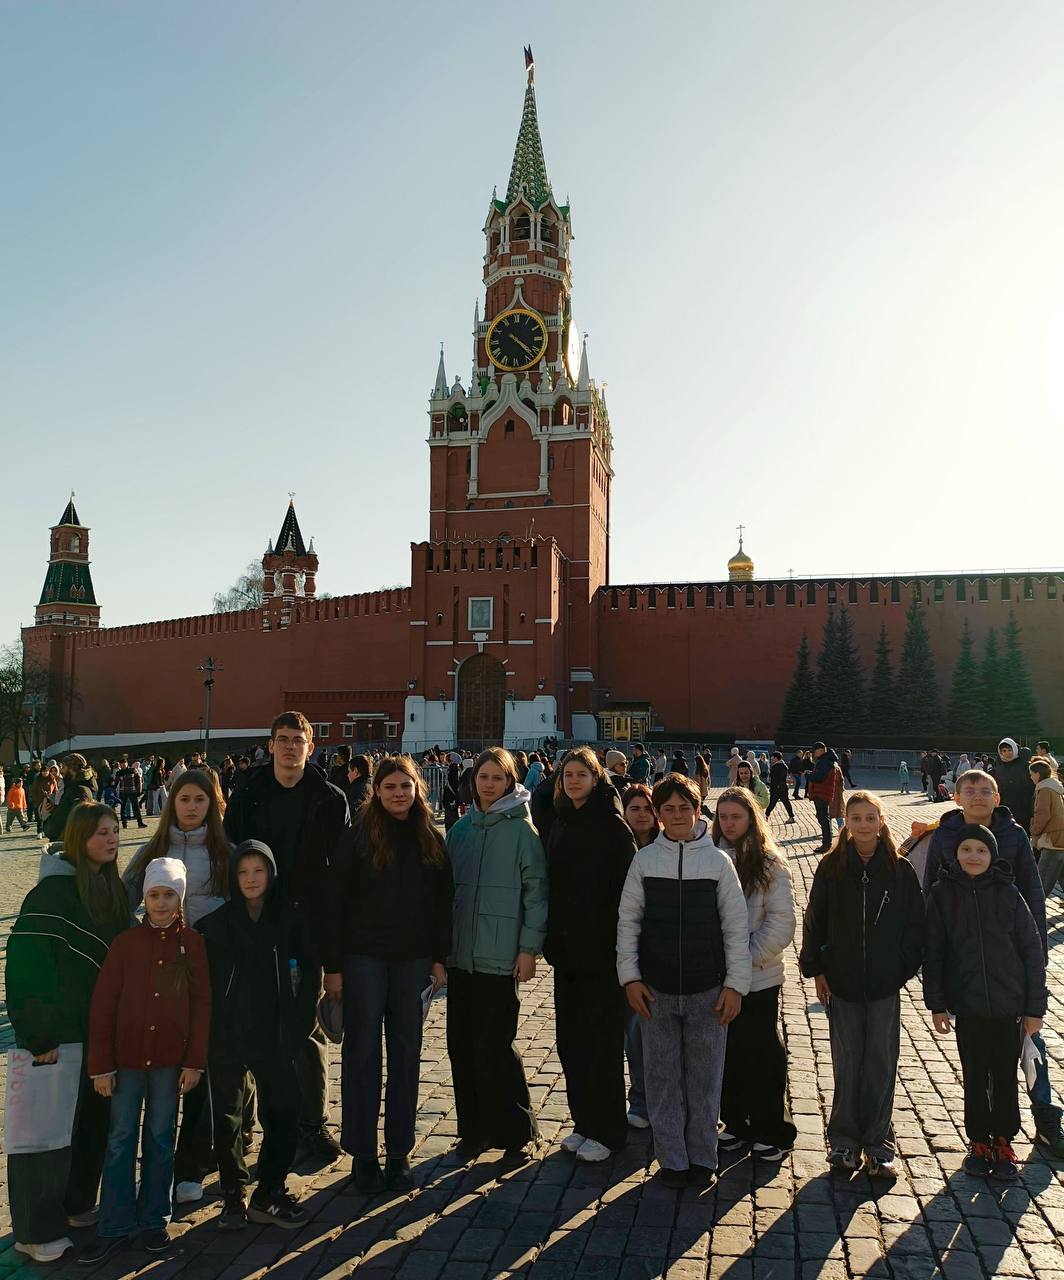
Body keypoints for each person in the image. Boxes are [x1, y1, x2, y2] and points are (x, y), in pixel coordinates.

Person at [6, 804, 131, 1264]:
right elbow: (25, 967)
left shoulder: (111, 889)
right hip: (55, 1039)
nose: (111, 839)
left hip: (98, 1036)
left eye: (114, 830)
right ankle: (35, 1231)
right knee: (44, 1138)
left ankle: (77, 1204)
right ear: (79, 838)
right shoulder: (50, 893)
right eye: (101, 832)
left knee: (89, 1128)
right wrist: (38, 1035)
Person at [223, 712, 349, 1163]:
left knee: (307, 1030)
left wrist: (334, 955)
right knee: (256, 1027)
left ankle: (312, 1126)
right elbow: (231, 859)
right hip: (257, 928)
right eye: (283, 739)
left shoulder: (329, 798)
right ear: (271, 745)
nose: (291, 746)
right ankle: (260, 1128)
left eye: (299, 740)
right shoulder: (248, 795)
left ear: (310, 747)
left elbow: (339, 878)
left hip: (308, 932)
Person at [617, 773, 752, 1188]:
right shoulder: (644, 861)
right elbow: (629, 922)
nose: (677, 816)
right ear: (658, 814)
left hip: (707, 989)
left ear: (697, 810)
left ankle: (703, 1157)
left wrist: (735, 985)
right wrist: (630, 978)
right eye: (668, 809)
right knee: (661, 1078)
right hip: (655, 990)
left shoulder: (718, 863)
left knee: (705, 1078)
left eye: (684, 808)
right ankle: (672, 1158)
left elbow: (735, 928)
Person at [326, 757, 453, 1194]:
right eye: (390, 787)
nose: (398, 793)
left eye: (405, 786)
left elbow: (442, 905)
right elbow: (335, 903)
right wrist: (333, 967)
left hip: (412, 961)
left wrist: (439, 959)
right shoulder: (356, 838)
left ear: (417, 790)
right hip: (363, 959)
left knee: (406, 1056)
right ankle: (363, 1154)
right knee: (361, 1054)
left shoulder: (430, 839)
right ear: (376, 792)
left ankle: (399, 1153)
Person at [78, 859, 211, 1263]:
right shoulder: (125, 944)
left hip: (169, 1060)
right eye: (154, 895)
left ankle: (154, 1217)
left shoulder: (192, 944)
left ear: (179, 899)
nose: (161, 902)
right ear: (145, 898)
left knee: (160, 1137)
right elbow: (104, 1004)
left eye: (169, 895)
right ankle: (115, 1222)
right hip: (127, 1060)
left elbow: (201, 1005)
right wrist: (101, 1065)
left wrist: (194, 1061)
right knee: (120, 1140)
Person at [799, 792, 924, 1178]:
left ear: (881, 821)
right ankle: (843, 1141)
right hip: (843, 982)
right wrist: (817, 969)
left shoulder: (900, 869)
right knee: (848, 1061)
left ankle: (879, 1144)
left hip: (884, 985)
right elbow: (815, 919)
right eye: (857, 818)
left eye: (871, 817)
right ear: (847, 822)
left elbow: (916, 926)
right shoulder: (832, 866)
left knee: (881, 1064)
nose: (864, 824)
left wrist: (900, 969)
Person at [121, 768, 232, 1202]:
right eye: (184, 799)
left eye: (199, 800)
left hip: (210, 965)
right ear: (172, 803)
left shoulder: (225, 852)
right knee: (164, 1063)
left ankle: (192, 1163)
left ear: (211, 805)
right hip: (162, 971)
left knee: (200, 1063)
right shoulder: (153, 850)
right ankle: (157, 1163)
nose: (191, 807)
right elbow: (123, 899)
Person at [199, 841, 318, 1229]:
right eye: (243, 872)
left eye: (259, 870)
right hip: (228, 1033)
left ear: (271, 874)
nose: (251, 879)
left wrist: (299, 1025)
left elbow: (309, 975)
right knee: (228, 1118)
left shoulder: (290, 918)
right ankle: (232, 1194)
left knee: (283, 1109)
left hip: (276, 1032)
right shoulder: (215, 926)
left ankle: (269, 1190)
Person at [923, 823, 1046, 1182]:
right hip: (969, 1005)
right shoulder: (943, 894)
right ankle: (978, 1140)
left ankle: (1004, 1139)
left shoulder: (1008, 893)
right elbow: (934, 952)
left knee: (1005, 1075)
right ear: (955, 854)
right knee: (975, 1075)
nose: (973, 856)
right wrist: (937, 1004)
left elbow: (1032, 951)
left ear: (992, 855)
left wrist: (1034, 1008)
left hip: (1009, 1005)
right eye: (966, 850)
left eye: (981, 850)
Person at [445, 748, 547, 1162]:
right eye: (483, 777)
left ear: (510, 781)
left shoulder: (523, 832)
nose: (489, 784)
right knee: (460, 1045)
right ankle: (474, 1131)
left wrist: (528, 949)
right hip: (460, 956)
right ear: (474, 781)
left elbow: (536, 894)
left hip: (500, 954)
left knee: (497, 1046)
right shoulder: (461, 830)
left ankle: (517, 1130)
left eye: (497, 777)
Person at [546, 748, 636, 1163]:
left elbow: (629, 894)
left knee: (602, 1042)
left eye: (581, 774)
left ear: (597, 779)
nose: (573, 781)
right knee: (571, 1041)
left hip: (602, 952)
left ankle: (609, 1129)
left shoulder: (614, 827)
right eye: (568, 774)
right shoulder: (561, 822)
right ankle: (584, 1122)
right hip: (567, 952)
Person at [712, 788, 798, 1161]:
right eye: (723, 817)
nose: (729, 824)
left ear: (751, 819)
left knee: (761, 1051)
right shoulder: (710, 857)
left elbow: (781, 923)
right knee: (728, 1051)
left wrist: (741, 962)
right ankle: (735, 1121)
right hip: (718, 976)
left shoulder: (770, 864)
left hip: (758, 975)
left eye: (736, 816)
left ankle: (770, 1126)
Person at [619, 785, 660, 1131]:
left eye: (648, 808)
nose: (642, 815)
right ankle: (641, 1099)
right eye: (634, 809)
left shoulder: (667, 847)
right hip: (627, 951)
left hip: (660, 953)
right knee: (634, 1032)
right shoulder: (617, 848)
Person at [42, 753, 99, 841]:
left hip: (69, 844)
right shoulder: (74, 788)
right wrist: (55, 810)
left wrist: (47, 817)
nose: (61, 771)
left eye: (64, 767)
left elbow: (78, 821)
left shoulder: (78, 790)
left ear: (72, 768)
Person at [1030, 757, 1064, 899]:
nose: (1031, 777)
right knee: (1061, 875)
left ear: (1038, 774)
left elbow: (1042, 814)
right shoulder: (1055, 787)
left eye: (1031, 774)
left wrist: (1034, 831)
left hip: (1052, 840)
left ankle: (1035, 908)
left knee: (1042, 881)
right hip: (1060, 837)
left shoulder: (1044, 789)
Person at [994, 738, 1035, 831]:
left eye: (1010, 750)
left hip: (1023, 809)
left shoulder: (1025, 766)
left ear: (1015, 750)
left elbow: (1031, 788)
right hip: (1004, 810)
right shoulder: (999, 768)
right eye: (1004, 751)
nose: (1007, 753)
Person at [806, 742, 840, 853]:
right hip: (824, 792)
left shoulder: (824, 761)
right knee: (823, 818)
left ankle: (826, 844)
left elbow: (819, 778)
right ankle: (826, 843)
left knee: (823, 818)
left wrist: (808, 775)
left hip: (822, 793)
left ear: (821, 750)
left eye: (815, 751)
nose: (814, 754)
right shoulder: (827, 760)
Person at [112, 757, 146, 832]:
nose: (123, 766)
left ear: (127, 763)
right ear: (120, 765)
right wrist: (112, 788)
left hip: (133, 792)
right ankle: (124, 824)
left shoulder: (133, 770)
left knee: (136, 807)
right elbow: (116, 782)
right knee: (123, 808)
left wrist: (139, 790)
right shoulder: (119, 773)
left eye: (124, 764)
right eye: (121, 765)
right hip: (123, 792)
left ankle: (140, 823)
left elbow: (138, 780)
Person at [765, 752, 795, 823]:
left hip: (777, 788)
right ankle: (791, 817)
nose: (771, 758)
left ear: (776, 758)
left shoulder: (776, 766)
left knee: (772, 803)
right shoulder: (783, 765)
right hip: (782, 788)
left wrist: (774, 786)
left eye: (772, 757)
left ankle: (766, 816)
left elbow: (777, 779)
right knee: (785, 802)